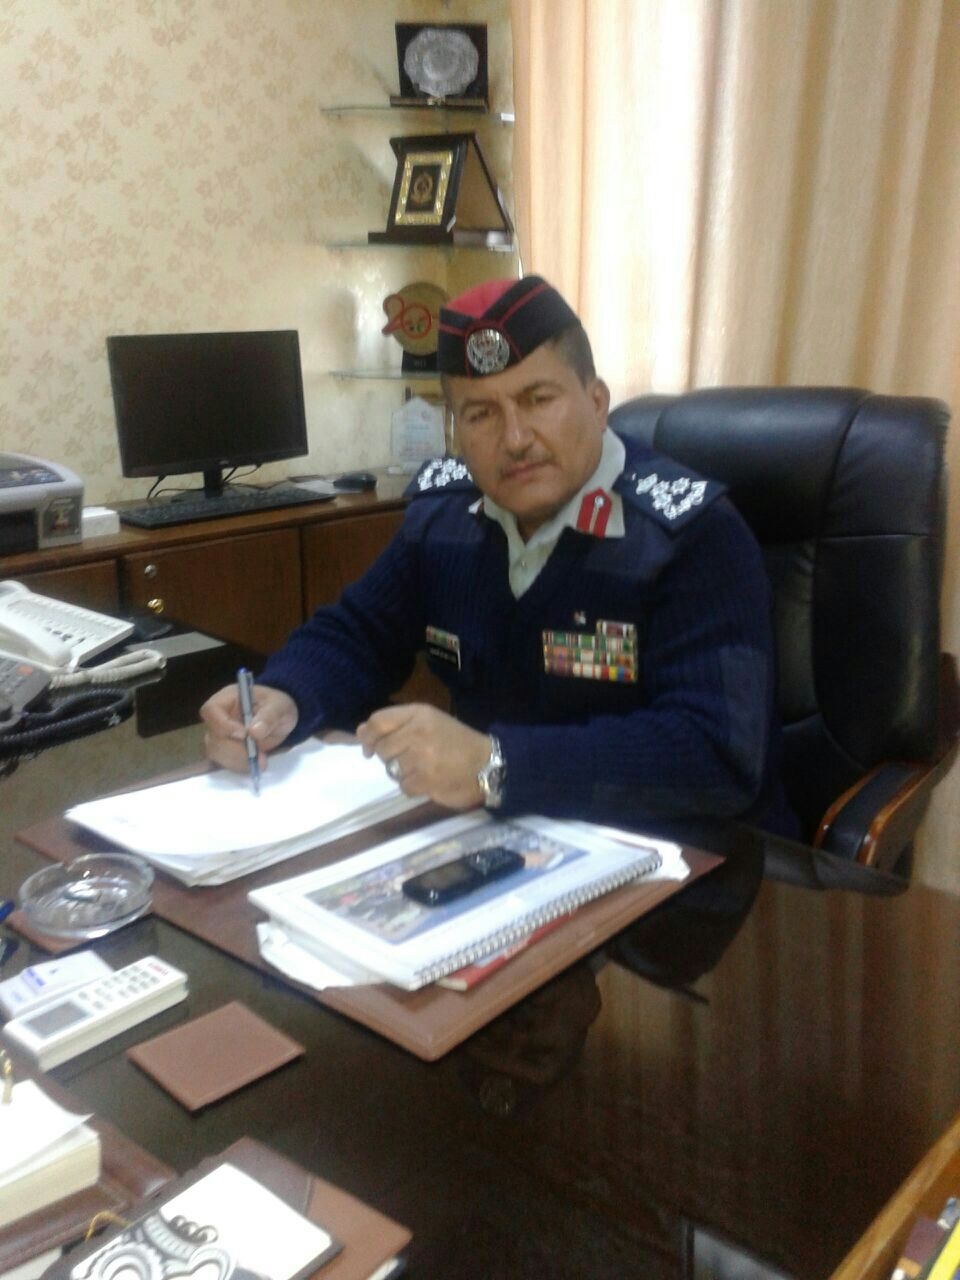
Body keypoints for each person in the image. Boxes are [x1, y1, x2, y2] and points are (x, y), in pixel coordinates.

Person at [201, 275, 794, 834]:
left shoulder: (690, 535)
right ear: (455, 431)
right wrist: (284, 697)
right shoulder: (444, 519)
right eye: (481, 414)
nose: (514, 439)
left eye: (538, 399)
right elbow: (358, 635)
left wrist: (497, 763)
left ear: (596, 401)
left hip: (690, 861)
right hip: (507, 835)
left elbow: (716, 753)